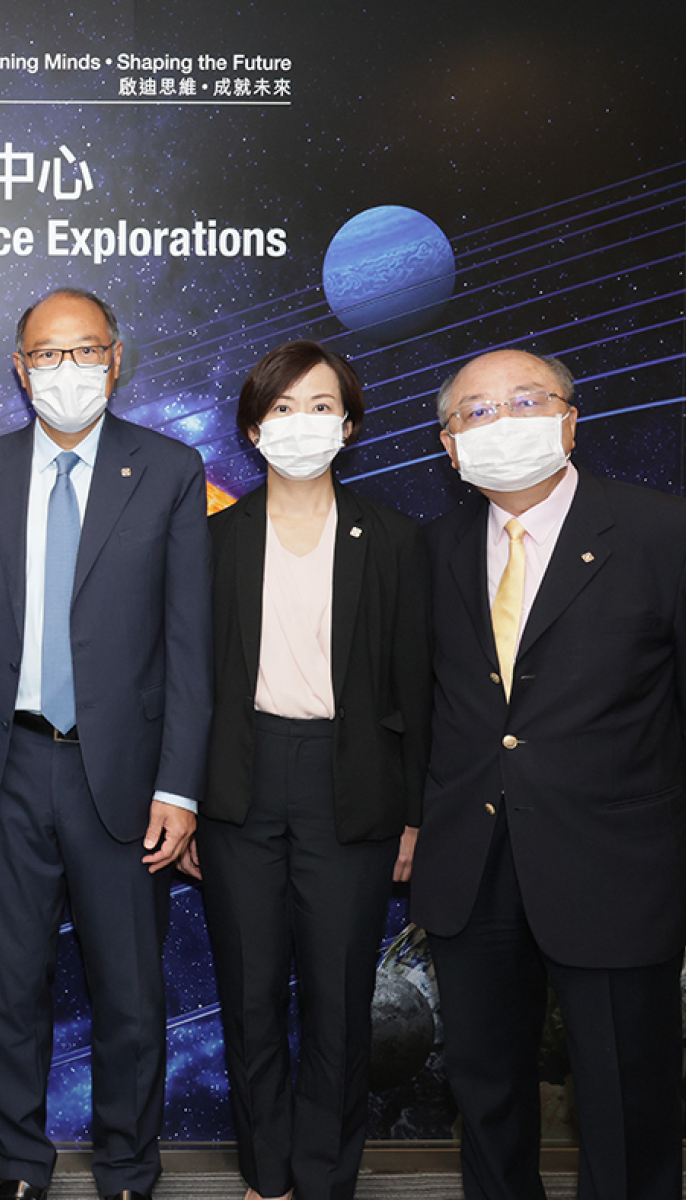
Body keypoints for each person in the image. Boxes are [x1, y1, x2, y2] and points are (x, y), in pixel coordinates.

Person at [415, 349, 686, 1200]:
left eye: (525, 401)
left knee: (626, 1099)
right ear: (450, 446)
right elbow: (420, 703)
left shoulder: (674, 536)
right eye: (477, 413)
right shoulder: (427, 552)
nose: (503, 423)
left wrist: (626, 789)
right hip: (471, 864)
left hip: (610, 862)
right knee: (486, 1092)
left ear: (570, 417)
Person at [0, 288, 213, 1200]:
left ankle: (128, 1166)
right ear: (19, 368)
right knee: (10, 988)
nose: (67, 371)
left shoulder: (169, 470)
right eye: (46, 356)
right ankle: (19, 1165)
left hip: (123, 774)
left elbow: (190, 645)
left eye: (84, 351)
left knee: (130, 993)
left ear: (117, 359)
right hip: (5, 769)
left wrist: (179, 786)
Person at [197, 341, 430, 1200]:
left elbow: (419, 689)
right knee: (251, 996)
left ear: (351, 423)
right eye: (283, 408)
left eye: (322, 406)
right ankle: (267, 1176)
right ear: (254, 430)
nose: (303, 423)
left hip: (353, 788)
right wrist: (184, 801)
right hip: (238, 788)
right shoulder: (213, 542)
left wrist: (413, 814)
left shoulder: (398, 541)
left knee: (337, 1000)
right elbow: (185, 685)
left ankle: (328, 1178)